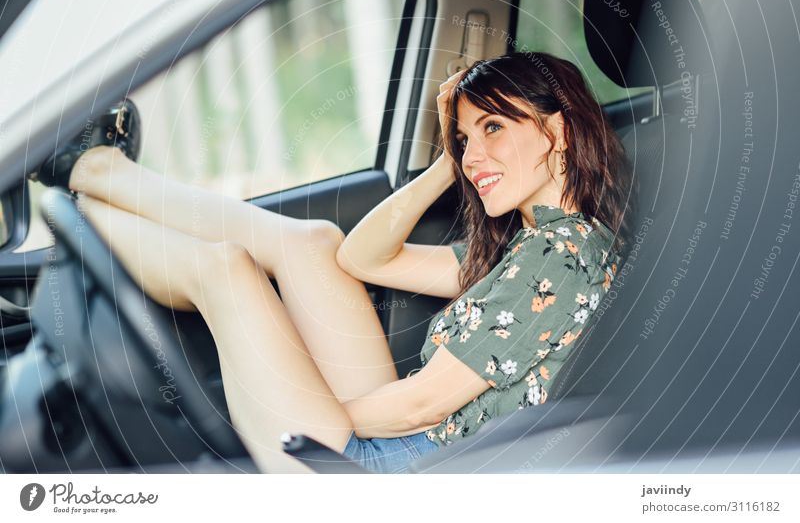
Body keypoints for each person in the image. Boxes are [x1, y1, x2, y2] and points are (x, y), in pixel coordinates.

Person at [28, 50, 634, 474]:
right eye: (466, 136)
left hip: (387, 479)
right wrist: (447, 165)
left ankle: (79, 192)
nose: (475, 154)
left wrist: (288, 406)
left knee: (225, 268)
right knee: (313, 241)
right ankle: (94, 180)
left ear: (559, 127)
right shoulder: (535, 244)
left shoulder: (559, 258)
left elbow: (422, 405)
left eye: (494, 127)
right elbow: (361, 256)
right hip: (417, 442)